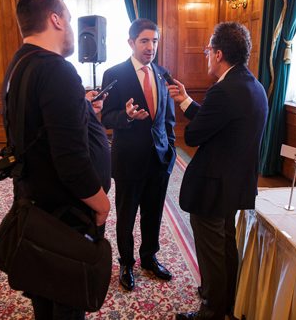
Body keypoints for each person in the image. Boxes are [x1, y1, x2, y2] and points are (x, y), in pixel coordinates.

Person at [1, 0, 111, 318]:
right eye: (70, 18)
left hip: (36, 202)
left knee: (44, 292)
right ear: (55, 19)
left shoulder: (19, 64)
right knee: (67, 298)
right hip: (65, 213)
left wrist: (83, 109)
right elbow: (71, 162)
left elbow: (41, 129)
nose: (73, 27)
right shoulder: (58, 70)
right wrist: (101, 202)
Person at [168, 22, 268, 319]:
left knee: (212, 250)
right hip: (234, 182)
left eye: (208, 50)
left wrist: (190, 113)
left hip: (212, 186)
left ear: (219, 53)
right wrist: (186, 100)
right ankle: (226, 298)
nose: (206, 55)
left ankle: (211, 309)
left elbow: (195, 135)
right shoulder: (253, 85)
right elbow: (218, 124)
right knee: (225, 245)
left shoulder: (223, 91)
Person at [100, 18, 176, 291]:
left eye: (154, 41)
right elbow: (106, 117)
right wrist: (127, 116)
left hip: (159, 159)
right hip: (129, 160)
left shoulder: (162, 73)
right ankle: (126, 262)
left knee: (153, 214)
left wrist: (171, 151)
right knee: (127, 215)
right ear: (131, 42)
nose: (150, 46)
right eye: (144, 41)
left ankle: (149, 258)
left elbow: (168, 119)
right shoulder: (114, 74)